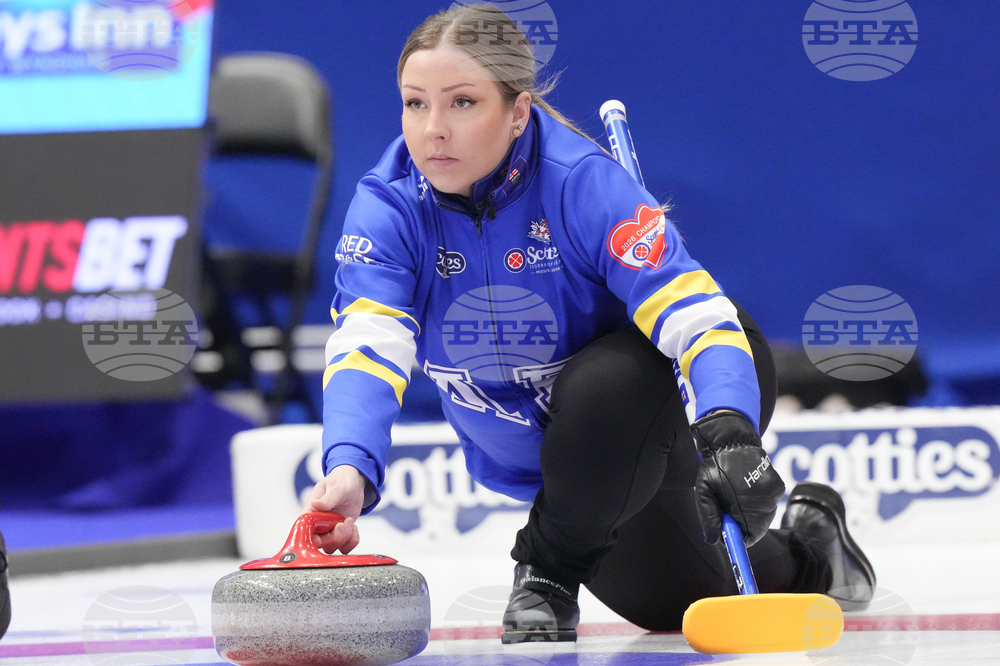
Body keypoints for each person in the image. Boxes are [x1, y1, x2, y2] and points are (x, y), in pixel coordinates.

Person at [305, 4, 876, 642]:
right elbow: (367, 345)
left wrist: (732, 434)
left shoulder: (582, 183)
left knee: (600, 386)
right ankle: (814, 548)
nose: (432, 130)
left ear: (517, 111)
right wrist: (351, 466)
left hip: (668, 393)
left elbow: (699, 317)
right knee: (672, 603)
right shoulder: (388, 204)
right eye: (415, 104)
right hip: (575, 466)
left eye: (462, 103)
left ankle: (546, 573)